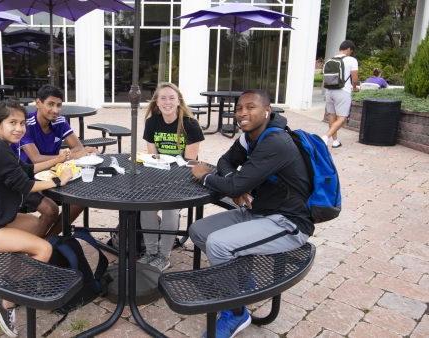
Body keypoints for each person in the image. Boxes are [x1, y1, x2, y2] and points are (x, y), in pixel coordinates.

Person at [189, 90, 313, 338]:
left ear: (267, 111)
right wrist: (234, 183)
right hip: (259, 212)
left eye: (250, 107)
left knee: (219, 244)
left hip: (287, 222)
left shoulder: (275, 142)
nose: (243, 113)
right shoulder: (249, 137)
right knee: (198, 230)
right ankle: (243, 283)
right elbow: (226, 162)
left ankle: (236, 313)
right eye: (239, 108)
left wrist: (205, 177)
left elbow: (231, 183)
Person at [0, 100, 73, 337]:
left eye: (21, 123)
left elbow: (26, 170)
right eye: (12, 123)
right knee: (43, 249)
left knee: (38, 225)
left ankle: (15, 274)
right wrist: (60, 180)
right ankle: (5, 300)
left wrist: (57, 160)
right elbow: (24, 184)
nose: (19, 128)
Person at [11, 84, 97, 235]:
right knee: (50, 210)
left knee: (81, 200)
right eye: (50, 104)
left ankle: (49, 241)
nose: (55, 110)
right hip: (26, 180)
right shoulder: (26, 124)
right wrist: (66, 157)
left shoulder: (59, 121)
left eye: (59, 105)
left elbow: (78, 148)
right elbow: (36, 159)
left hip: (53, 175)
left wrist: (74, 154)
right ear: (38, 103)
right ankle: (37, 246)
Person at [140, 82, 204, 271]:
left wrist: (168, 172)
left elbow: (190, 162)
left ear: (178, 101)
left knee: (170, 210)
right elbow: (153, 156)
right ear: (156, 102)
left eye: (171, 98)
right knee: (146, 207)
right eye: (163, 98)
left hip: (182, 177)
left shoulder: (190, 124)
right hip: (158, 175)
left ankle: (164, 255)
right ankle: (151, 252)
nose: (167, 102)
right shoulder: (152, 122)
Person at [323, 40, 359, 148]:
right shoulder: (351, 60)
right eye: (351, 51)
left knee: (332, 116)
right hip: (343, 91)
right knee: (342, 118)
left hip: (329, 91)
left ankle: (335, 141)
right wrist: (354, 87)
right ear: (348, 49)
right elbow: (355, 78)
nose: (351, 53)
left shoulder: (330, 60)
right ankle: (325, 137)